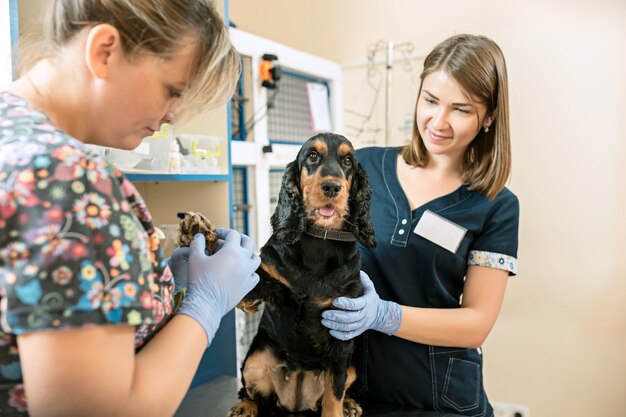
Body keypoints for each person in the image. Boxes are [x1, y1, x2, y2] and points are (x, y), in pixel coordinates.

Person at [0, 1, 260, 416]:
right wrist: (205, 305)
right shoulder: (70, 182)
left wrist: (146, 282)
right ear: (105, 50)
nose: (173, 114)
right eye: (173, 90)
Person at [321, 34, 519, 417]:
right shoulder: (362, 168)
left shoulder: (496, 207)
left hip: (438, 400)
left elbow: (476, 323)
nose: (438, 122)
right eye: (430, 101)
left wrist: (385, 315)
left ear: (489, 116)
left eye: (461, 110)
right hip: (351, 395)